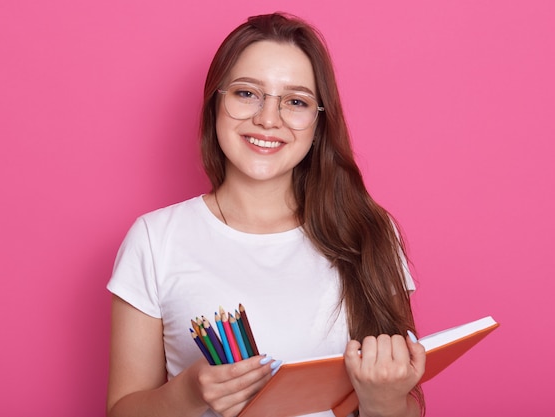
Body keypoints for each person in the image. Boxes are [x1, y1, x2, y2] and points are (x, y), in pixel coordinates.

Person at [107, 12, 426, 417]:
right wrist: (188, 393)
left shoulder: (369, 232)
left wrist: (383, 402)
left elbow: (406, 400)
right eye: (246, 93)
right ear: (215, 102)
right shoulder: (154, 240)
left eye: (295, 101)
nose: (268, 119)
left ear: (318, 122)